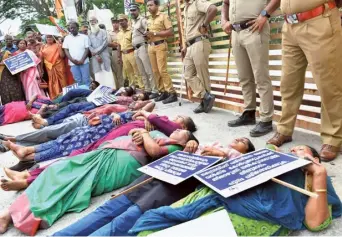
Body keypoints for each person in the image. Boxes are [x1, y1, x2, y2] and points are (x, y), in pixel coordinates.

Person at [0, 128, 195, 235]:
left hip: (118, 166)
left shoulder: (176, 149)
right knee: (56, 170)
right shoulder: (157, 133)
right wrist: (138, 131)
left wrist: (143, 134)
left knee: (71, 186)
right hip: (105, 153)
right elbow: (135, 133)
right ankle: (12, 209)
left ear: (186, 141)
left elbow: (152, 151)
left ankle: (15, 213)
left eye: (182, 132)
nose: (177, 130)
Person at [52, 137, 255, 236]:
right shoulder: (212, 143)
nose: (239, 139)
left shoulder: (238, 162)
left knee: (124, 220)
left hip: (174, 189)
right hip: (154, 178)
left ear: (246, 152)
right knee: (106, 210)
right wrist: (191, 145)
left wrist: (225, 157)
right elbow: (181, 152)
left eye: (244, 142)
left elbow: (233, 177)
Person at [129, 145, 342, 236]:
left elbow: (315, 223)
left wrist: (319, 173)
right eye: (292, 150)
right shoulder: (269, 165)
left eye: (300, 150)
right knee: (150, 228)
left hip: (244, 219)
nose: (293, 151)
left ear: (314, 158)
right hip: (215, 199)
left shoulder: (313, 178)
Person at [267, 0, 342, 162]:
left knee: (329, 83)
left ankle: (333, 137)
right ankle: (285, 129)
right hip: (289, 26)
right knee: (288, 83)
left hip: (319, 20)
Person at [221, 0, 278, 137]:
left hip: (254, 28)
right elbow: (225, 3)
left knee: (261, 76)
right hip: (236, 32)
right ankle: (249, 113)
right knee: (244, 76)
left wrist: (264, 15)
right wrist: (223, 20)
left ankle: (266, 119)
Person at [3, 111, 138, 163]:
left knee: (62, 149)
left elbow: (149, 108)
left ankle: (26, 154)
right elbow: (148, 106)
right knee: (59, 141)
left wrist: (144, 114)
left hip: (91, 139)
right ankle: (25, 151)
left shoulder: (135, 125)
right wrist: (116, 114)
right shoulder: (125, 114)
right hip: (86, 130)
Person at [182, 0, 217, 113]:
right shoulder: (186, 8)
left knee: (202, 75)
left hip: (200, 42)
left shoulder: (197, 2)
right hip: (190, 45)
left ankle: (204, 103)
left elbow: (213, 9)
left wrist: (204, 24)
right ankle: (205, 96)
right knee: (188, 74)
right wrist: (185, 46)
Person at [145, 0, 177, 104]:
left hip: (160, 45)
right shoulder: (149, 19)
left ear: (157, 5)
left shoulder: (163, 16)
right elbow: (150, 34)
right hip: (151, 46)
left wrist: (154, 33)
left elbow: (170, 31)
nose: (149, 7)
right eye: (147, 6)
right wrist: (147, 36)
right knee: (155, 71)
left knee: (162, 70)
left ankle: (172, 93)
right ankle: (163, 92)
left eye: (151, 5)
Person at [130, 4, 158, 98]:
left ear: (138, 10)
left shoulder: (142, 20)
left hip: (143, 47)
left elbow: (148, 31)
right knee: (142, 71)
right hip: (136, 49)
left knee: (148, 69)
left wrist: (147, 36)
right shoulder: (132, 22)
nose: (132, 12)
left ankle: (155, 90)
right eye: (131, 10)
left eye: (134, 10)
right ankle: (147, 89)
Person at [117, 14, 145, 89]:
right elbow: (119, 45)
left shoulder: (132, 30)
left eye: (122, 20)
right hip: (124, 54)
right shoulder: (119, 33)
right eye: (119, 21)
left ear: (126, 20)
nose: (121, 22)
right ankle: (132, 88)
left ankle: (142, 87)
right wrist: (119, 57)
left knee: (137, 71)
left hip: (132, 52)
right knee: (129, 72)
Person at [89, 16, 116, 88]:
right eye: (91, 21)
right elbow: (89, 46)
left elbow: (105, 43)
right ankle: (100, 90)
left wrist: (96, 52)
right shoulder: (89, 34)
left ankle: (111, 90)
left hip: (104, 56)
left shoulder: (103, 32)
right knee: (98, 75)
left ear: (97, 21)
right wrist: (97, 56)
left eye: (94, 21)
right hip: (95, 58)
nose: (92, 22)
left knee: (107, 73)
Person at [63, 21, 91, 86]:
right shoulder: (67, 38)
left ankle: (88, 94)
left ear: (78, 28)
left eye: (73, 28)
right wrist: (72, 60)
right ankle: (81, 95)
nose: (72, 29)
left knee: (86, 79)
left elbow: (87, 49)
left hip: (84, 62)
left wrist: (82, 60)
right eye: (70, 28)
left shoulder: (84, 37)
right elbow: (66, 50)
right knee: (78, 80)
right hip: (73, 63)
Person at [108, 18, 125, 88]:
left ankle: (126, 86)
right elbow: (108, 43)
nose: (115, 24)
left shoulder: (122, 31)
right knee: (118, 71)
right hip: (115, 52)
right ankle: (120, 87)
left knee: (125, 70)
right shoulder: (109, 33)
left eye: (116, 22)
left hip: (124, 51)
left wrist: (117, 43)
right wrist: (117, 44)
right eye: (113, 23)